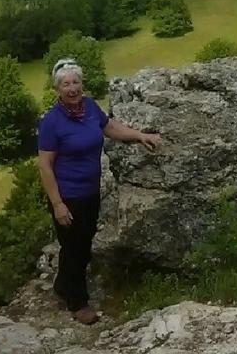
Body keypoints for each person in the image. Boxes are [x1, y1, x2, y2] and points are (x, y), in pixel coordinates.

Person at [37, 58, 161, 325]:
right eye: (66, 84)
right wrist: (57, 204)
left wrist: (140, 135)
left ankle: (62, 285)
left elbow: (111, 128)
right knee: (74, 248)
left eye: (76, 82)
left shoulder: (90, 107)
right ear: (57, 89)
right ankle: (78, 303)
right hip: (67, 196)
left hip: (90, 192)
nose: (73, 88)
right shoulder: (52, 122)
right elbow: (45, 167)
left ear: (82, 84)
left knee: (82, 243)